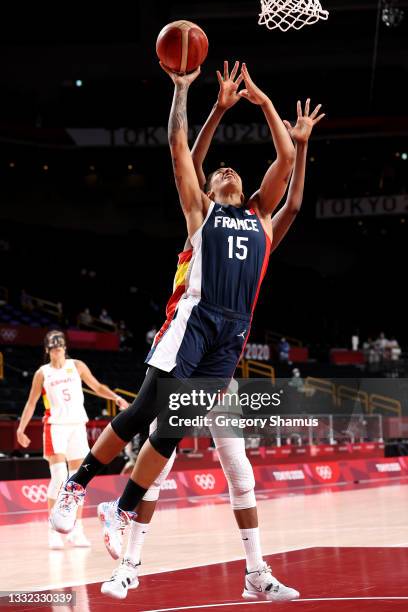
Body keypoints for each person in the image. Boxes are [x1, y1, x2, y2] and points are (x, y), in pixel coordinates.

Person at [51, 61, 323, 602]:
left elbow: (287, 164)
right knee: (146, 410)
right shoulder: (200, 212)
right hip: (194, 321)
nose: (226, 170)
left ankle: (122, 508)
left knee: (173, 433)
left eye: (233, 171)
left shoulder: (261, 217)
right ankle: (78, 488)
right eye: (219, 170)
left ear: (246, 187)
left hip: (231, 338)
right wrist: (193, 94)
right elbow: (182, 153)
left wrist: (266, 105)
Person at [17, 330, 129, 549]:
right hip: (55, 427)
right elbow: (31, 403)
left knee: (77, 480)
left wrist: (115, 397)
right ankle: (54, 530)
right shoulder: (42, 373)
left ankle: (76, 529)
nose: (57, 352)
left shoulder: (76, 366)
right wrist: (21, 429)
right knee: (59, 477)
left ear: (65, 348)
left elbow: (96, 387)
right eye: (53, 349)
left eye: (60, 348)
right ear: (47, 350)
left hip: (77, 426)